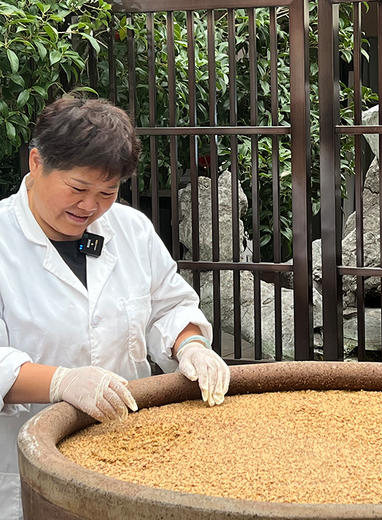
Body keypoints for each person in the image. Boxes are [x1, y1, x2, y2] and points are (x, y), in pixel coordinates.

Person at [0, 96, 230, 519]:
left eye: (107, 192)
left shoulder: (130, 229)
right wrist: (62, 383)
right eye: (77, 188)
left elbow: (168, 305)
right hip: (25, 469)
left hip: (126, 456)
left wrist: (192, 346)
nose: (90, 207)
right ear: (36, 162)